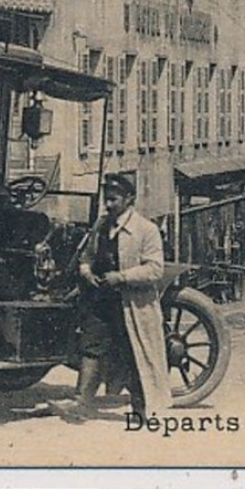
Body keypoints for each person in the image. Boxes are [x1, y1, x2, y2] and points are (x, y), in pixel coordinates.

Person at [54, 172, 173, 420]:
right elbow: (87, 257)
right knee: (92, 349)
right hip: (101, 301)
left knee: (134, 356)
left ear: (129, 199)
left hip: (132, 306)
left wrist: (121, 277)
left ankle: (140, 410)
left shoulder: (146, 230)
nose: (108, 204)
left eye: (114, 199)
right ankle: (82, 404)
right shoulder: (101, 225)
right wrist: (86, 271)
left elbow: (155, 269)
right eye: (106, 199)